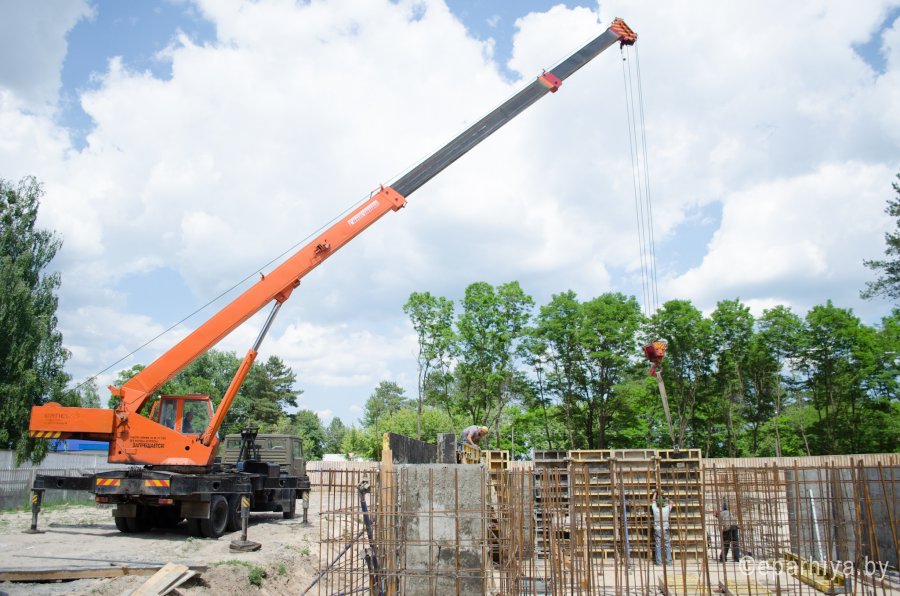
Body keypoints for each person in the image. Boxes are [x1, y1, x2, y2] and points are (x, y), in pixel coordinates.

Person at [651, 490, 673, 565]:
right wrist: (665, 497)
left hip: (657, 530)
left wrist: (655, 493)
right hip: (665, 529)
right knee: (667, 544)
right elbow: (671, 503)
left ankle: (659, 562)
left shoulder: (655, 510)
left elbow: (653, 501)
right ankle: (669, 561)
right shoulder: (667, 509)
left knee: (658, 545)